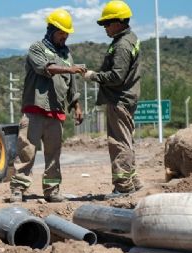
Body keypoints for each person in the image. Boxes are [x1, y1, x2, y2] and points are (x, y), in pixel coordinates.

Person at [10, 8, 85, 204]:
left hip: (56, 113)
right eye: (61, 32)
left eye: (67, 33)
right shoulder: (37, 48)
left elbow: (71, 84)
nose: (65, 36)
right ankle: (18, 189)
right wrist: (69, 69)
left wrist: (76, 105)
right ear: (51, 30)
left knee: (53, 155)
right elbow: (45, 69)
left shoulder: (67, 54)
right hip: (34, 110)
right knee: (26, 151)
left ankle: (52, 190)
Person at [83, 0, 144, 198]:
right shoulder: (129, 39)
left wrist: (93, 76)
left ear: (119, 22)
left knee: (119, 143)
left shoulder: (122, 45)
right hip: (126, 98)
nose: (105, 28)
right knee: (126, 141)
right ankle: (132, 181)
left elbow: (117, 77)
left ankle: (123, 187)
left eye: (107, 24)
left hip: (119, 99)